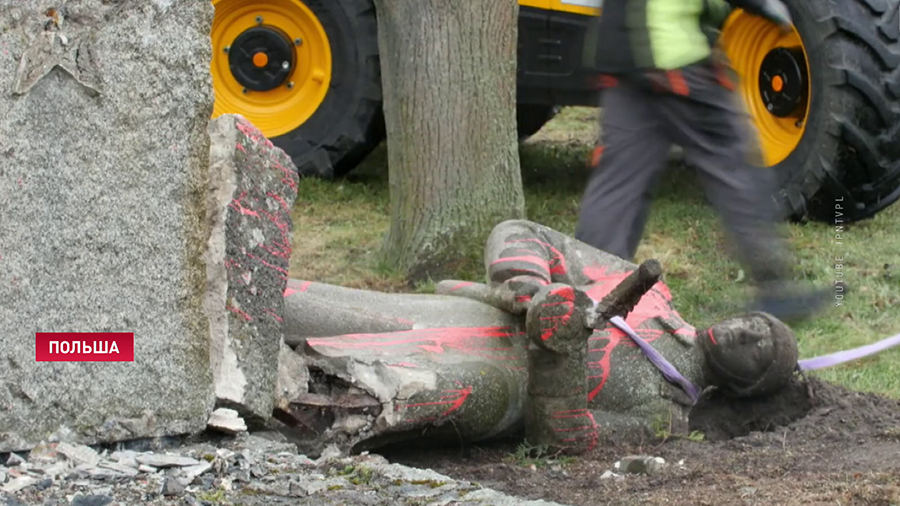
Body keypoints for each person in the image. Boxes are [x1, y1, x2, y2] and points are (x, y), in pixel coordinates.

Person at [279, 220, 799, 455]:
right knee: (303, 304)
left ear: (745, 389)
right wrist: (529, 289)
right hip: (471, 317)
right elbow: (526, 232)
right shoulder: (650, 294)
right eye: (759, 322)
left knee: (380, 390)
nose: (752, 331)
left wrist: (558, 358)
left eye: (763, 349)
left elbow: (567, 435)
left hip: (506, 385)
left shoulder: (664, 417)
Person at [575, 0, 829, 322]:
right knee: (735, 166)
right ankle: (775, 289)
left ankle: (587, 294)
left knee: (618, 184)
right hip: (672, 56)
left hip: (622, 60)